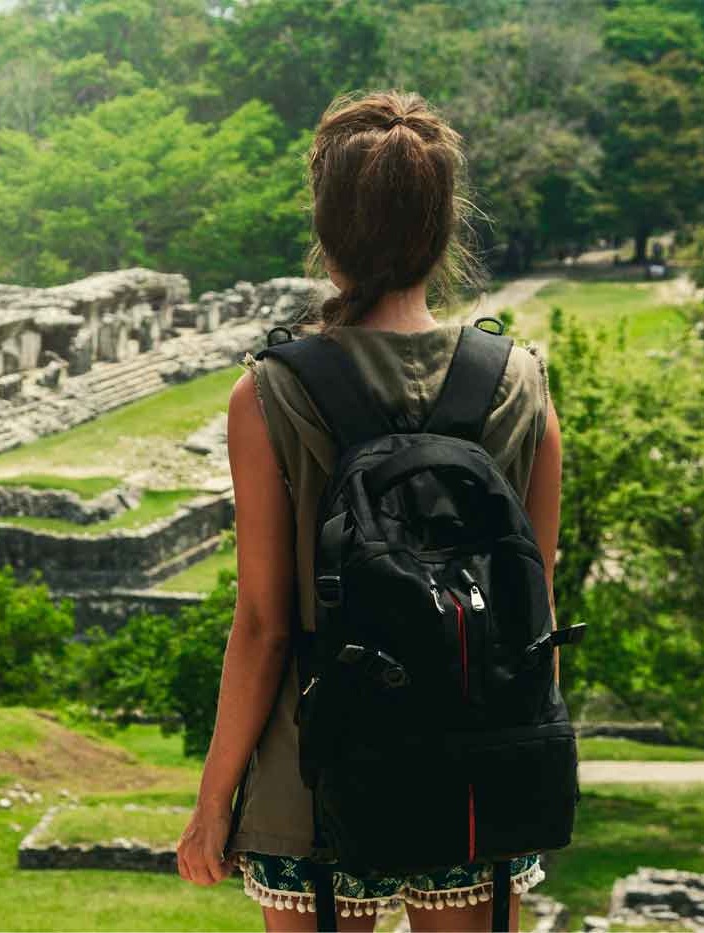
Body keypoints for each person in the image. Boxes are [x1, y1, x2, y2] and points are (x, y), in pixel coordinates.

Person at [176, 90, 562, 933]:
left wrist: (214, 802)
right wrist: (527, 758)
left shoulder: (272, 391)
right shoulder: (519, 380)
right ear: (441, 225)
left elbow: (264, 624)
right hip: (476, 759)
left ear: (328, 228)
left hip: (317, 771)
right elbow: (536, 599)